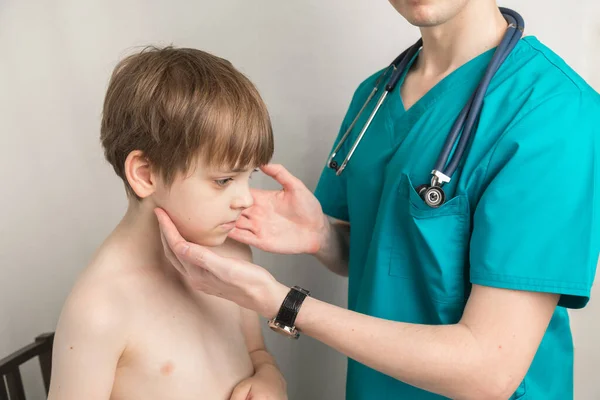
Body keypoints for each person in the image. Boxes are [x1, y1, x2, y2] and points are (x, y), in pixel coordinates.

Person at [154, 1, 600, 399]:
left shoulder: (554, 111)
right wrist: (323, 236)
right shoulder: (374, 97)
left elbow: (489, 372)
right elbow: (395, 257)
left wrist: (283, 303)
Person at [48, 46, 287, 400]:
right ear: (145, 174)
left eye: (248, 176)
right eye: (223, 180)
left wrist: (270, 377)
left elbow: (256, 352)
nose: (247, 199)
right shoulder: (100, 309)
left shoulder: (233, 256)